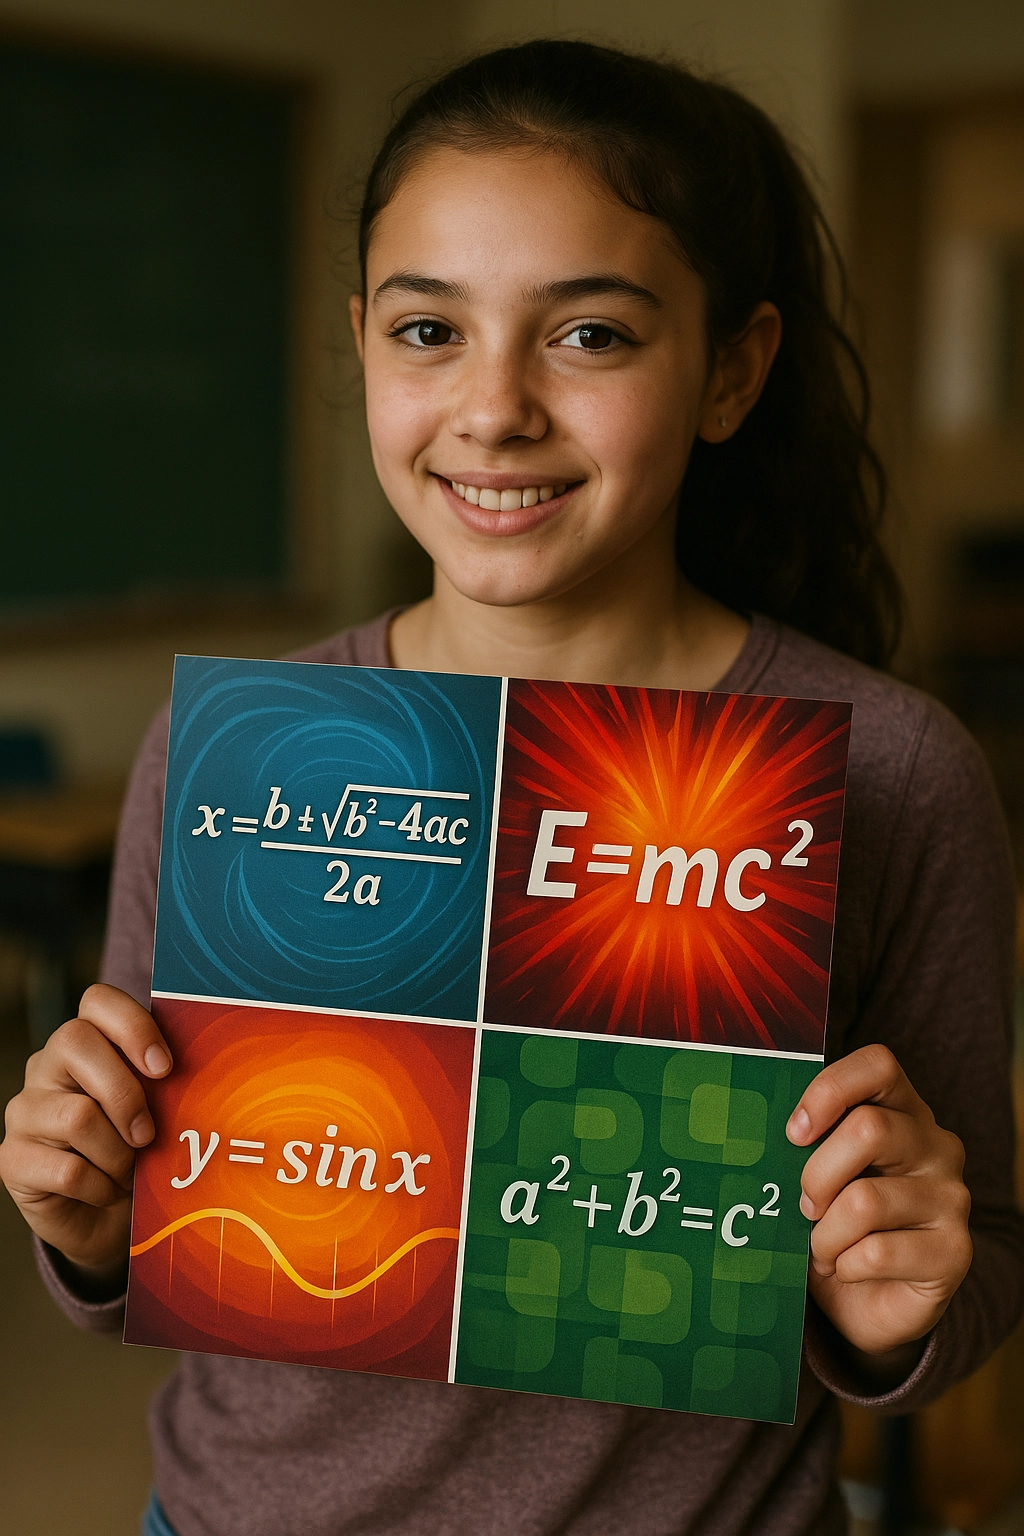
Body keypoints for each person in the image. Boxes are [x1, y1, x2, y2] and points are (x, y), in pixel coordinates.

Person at [2, 39, 1021, 1536]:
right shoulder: (240, 761)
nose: (493, 410)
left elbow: (978, 1257)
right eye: (428, 330)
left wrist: (892, 1295)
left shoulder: (896, 769)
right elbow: (168, 1234)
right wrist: (91, 1229)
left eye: (591, 336)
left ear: (733, 369)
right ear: (359, 343)